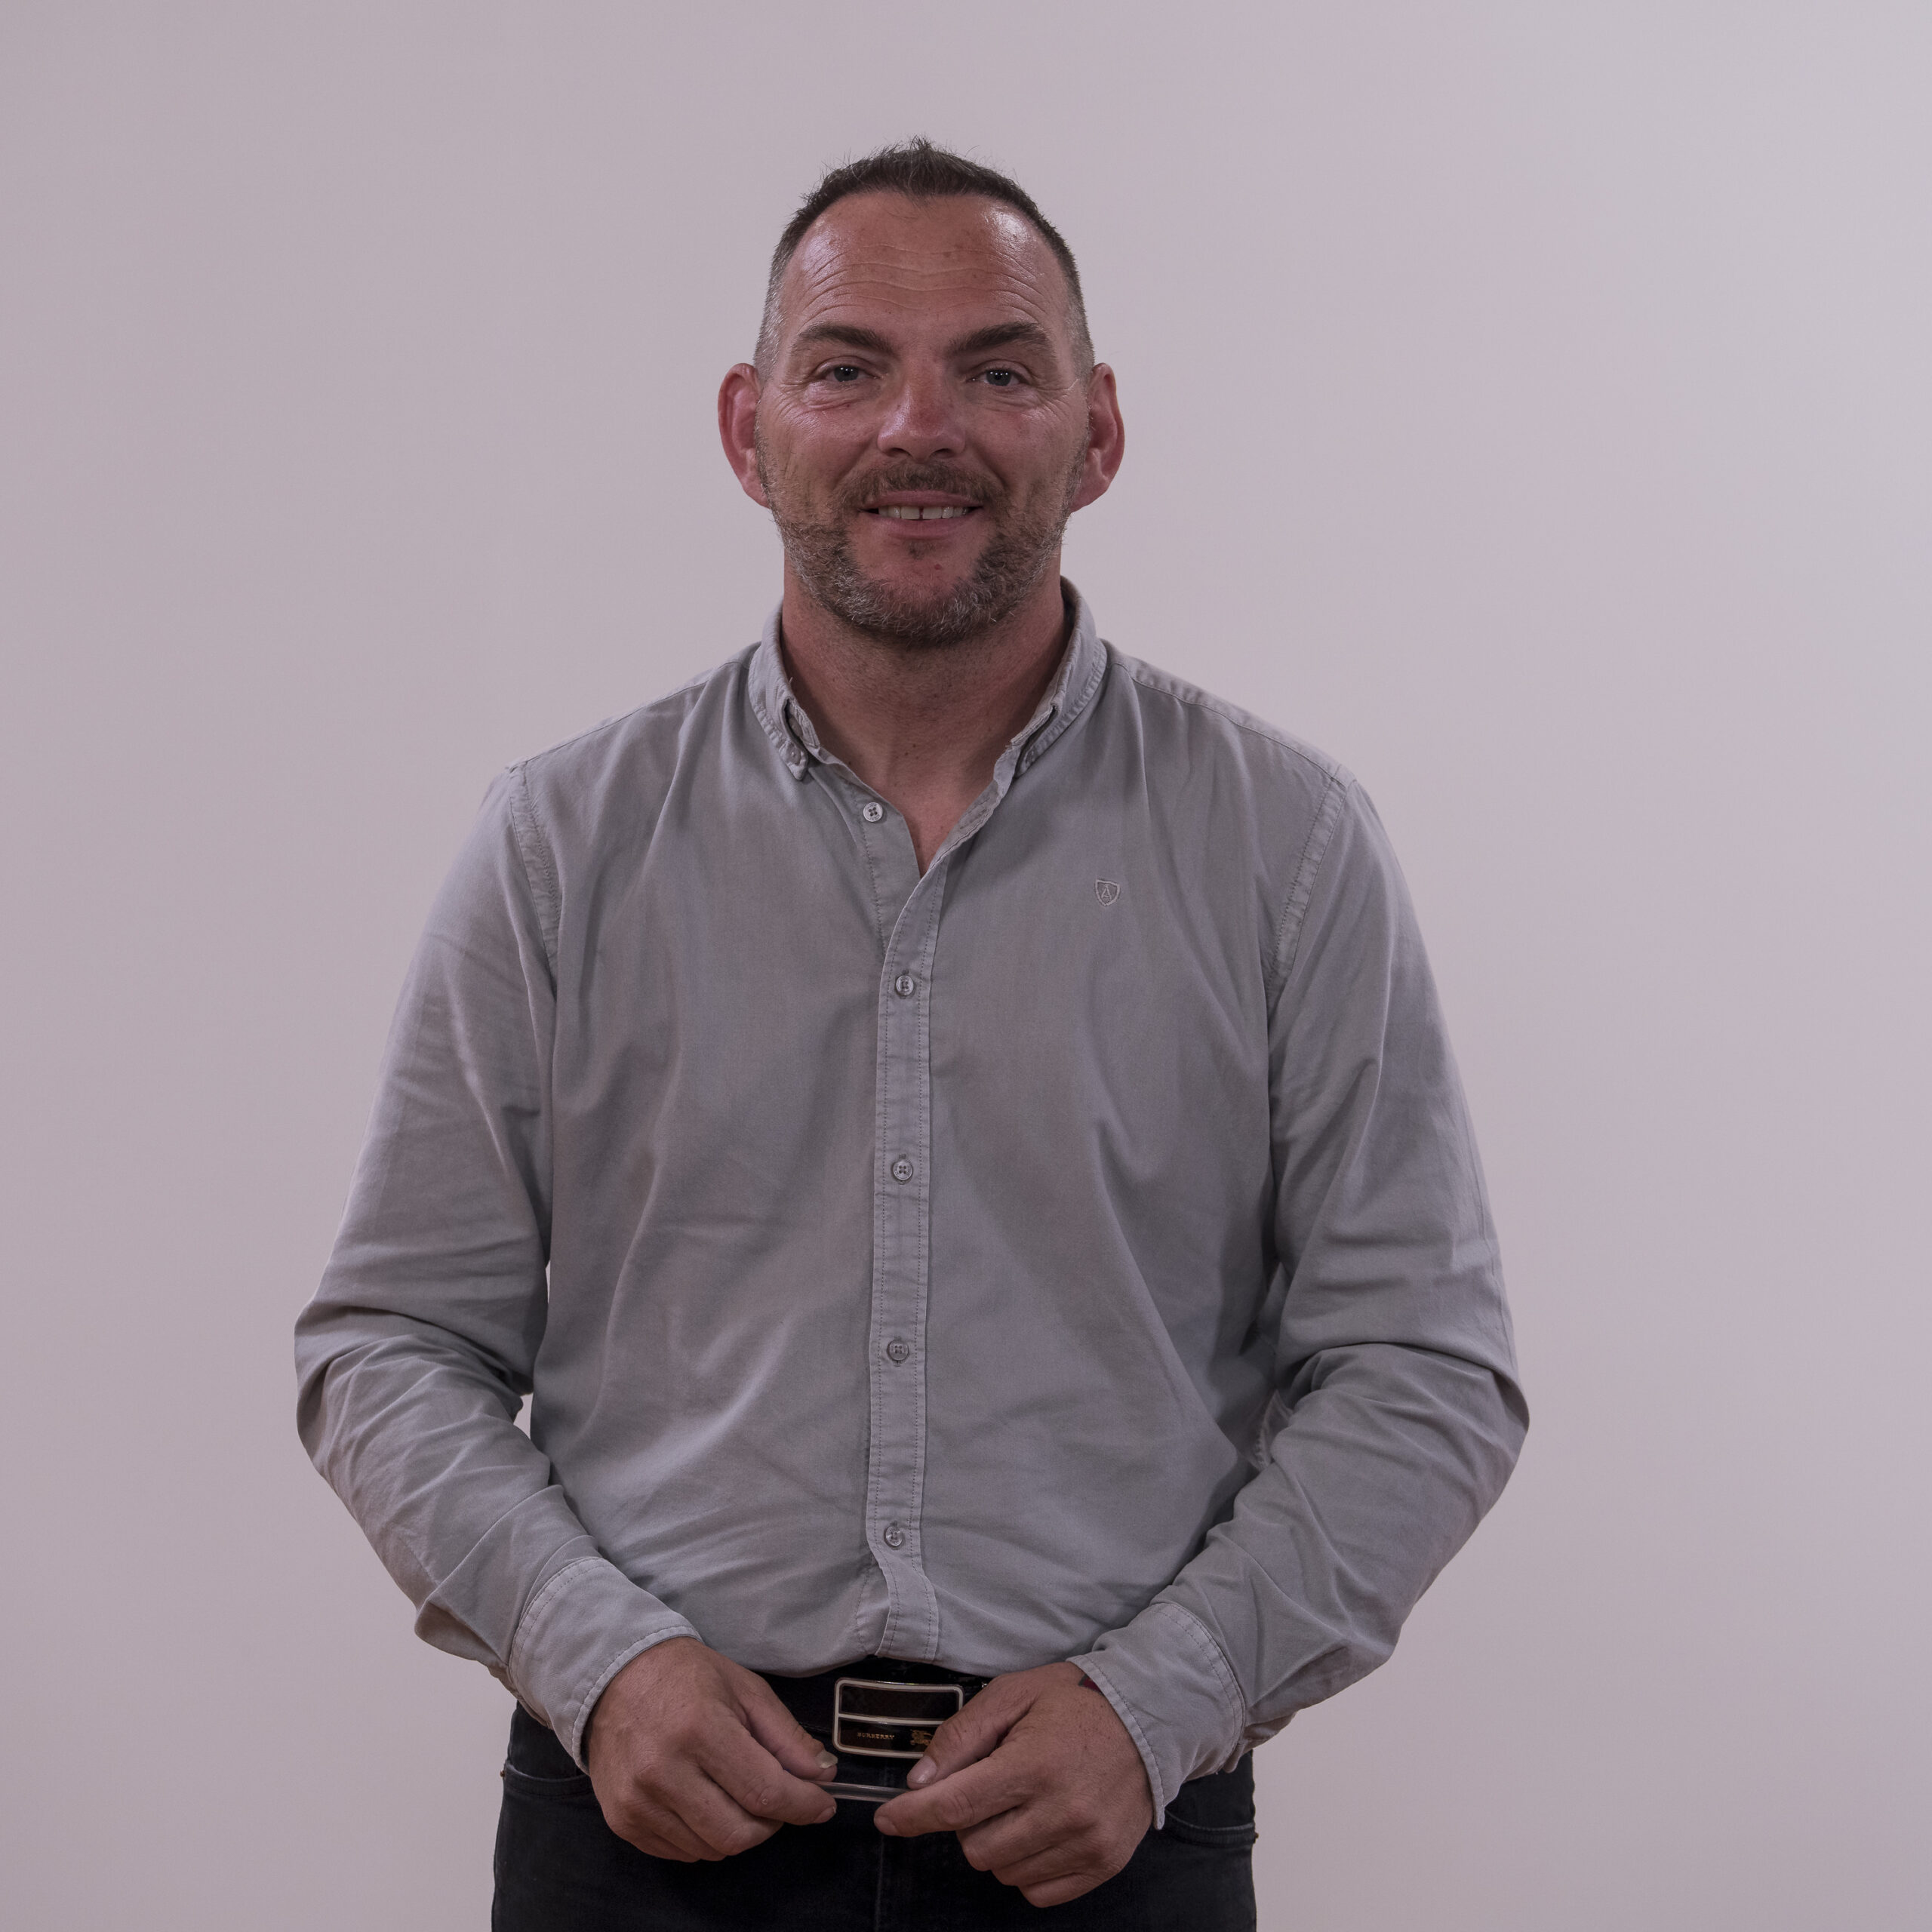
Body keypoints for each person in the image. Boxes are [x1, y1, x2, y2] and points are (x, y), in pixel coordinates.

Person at [295, 138, 1526, 1929]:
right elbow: (393, 1338)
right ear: (749, 430)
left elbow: (1422, 1362)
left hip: (1107, 1827)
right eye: (846, 366)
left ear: (1096, 432)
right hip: (643, 1827)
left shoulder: (1286, 849)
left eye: (997, 370)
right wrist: (590, 1651)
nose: (915, 428)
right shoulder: (559, 846)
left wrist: (1162, 1693)